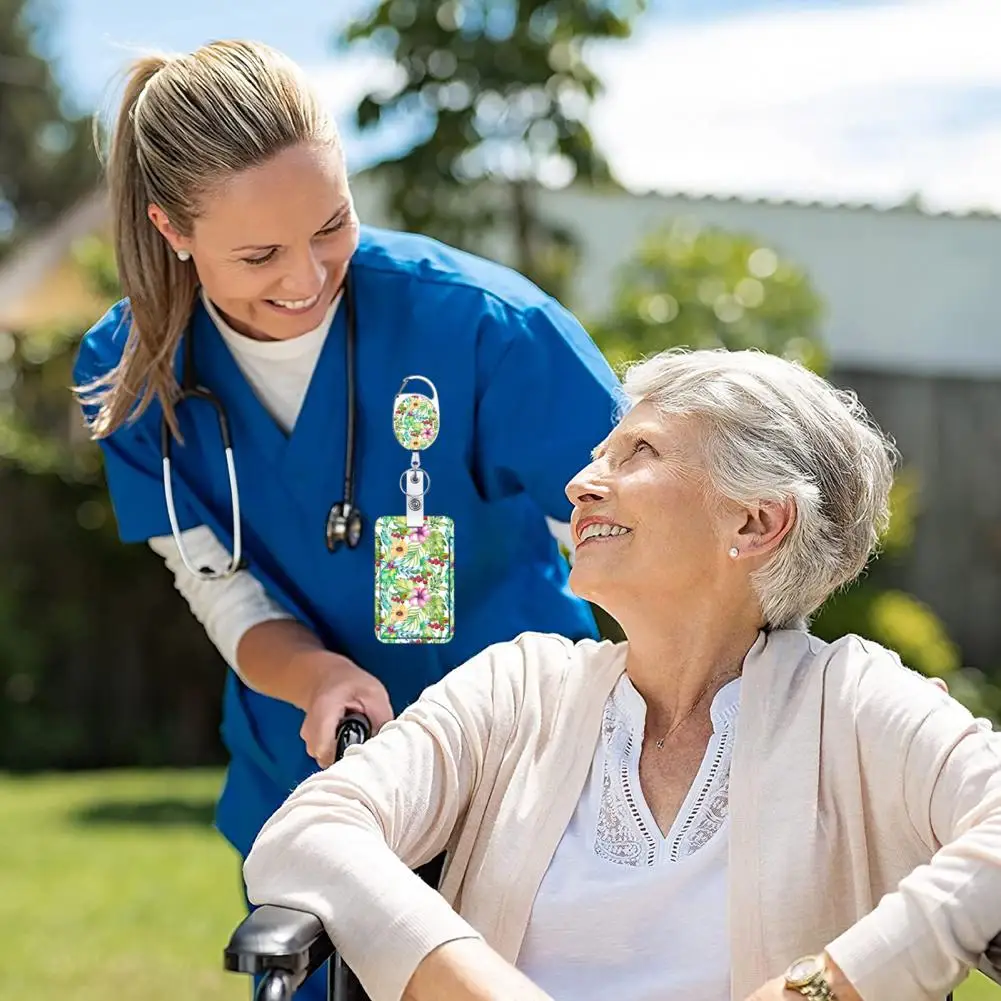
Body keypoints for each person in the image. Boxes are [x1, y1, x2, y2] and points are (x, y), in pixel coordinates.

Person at [72, 39, 621, 1000]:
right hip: (315, 790)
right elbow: (220, 588)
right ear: (170, 227)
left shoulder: (485, 328)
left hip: (522, 784)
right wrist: (319, 675)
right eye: (258, 254)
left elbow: (650, 543)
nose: (307, 275)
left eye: (332, 224)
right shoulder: (129, 376)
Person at [243, 348, 1001, 1001]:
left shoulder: (855, 701)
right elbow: (306, 833)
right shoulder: (519, 687)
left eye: (636, 452)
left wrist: (828, 983)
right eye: (597, 454)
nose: (578, 483)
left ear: (754, 522)